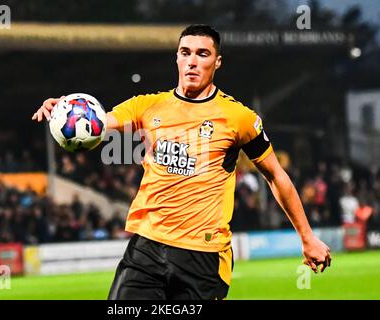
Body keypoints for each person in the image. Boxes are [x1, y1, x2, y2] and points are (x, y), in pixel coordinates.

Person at [32, 24, 332, 300]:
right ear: (177, 58)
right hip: (147, 249)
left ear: (217, 62)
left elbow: (276, 176)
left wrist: (307, 238)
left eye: (203, 54)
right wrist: (67, 110)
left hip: (203, 257)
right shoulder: (147, 106)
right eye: (186, 53)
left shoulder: (238, 118)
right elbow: (96, 126)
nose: (192, 61)